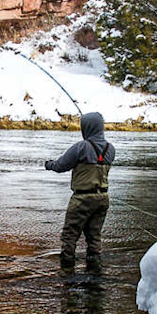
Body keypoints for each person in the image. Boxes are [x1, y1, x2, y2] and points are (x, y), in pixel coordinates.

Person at [44, 112, 115, 272]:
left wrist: (48, 164)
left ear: (86, 128)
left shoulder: (81, 147)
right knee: (94, 237)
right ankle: (94, 273)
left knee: (70, 236)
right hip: (102, 198)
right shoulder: (111, 149)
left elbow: (60, 166)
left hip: (82, 199)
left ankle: (67, 273)